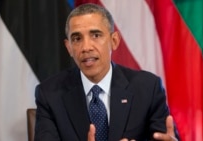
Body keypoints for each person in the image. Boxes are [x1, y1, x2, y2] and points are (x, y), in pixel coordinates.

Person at [34, 3, 179, 141]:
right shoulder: (49, 95)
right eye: (77, 38)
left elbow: (165, 137)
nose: (86, 47)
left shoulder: (148, 88)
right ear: (69, 47)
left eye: (95, 35)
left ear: (114, 41)